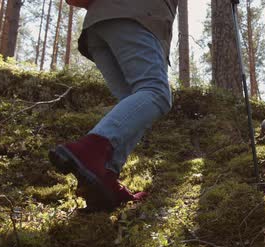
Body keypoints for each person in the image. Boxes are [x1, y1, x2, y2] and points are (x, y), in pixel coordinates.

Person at [49, 0, 179, 211]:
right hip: (136, 17)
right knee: (156, 92)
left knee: (134, 101)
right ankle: (91, 149)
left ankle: (105, 178)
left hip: (99, 26)